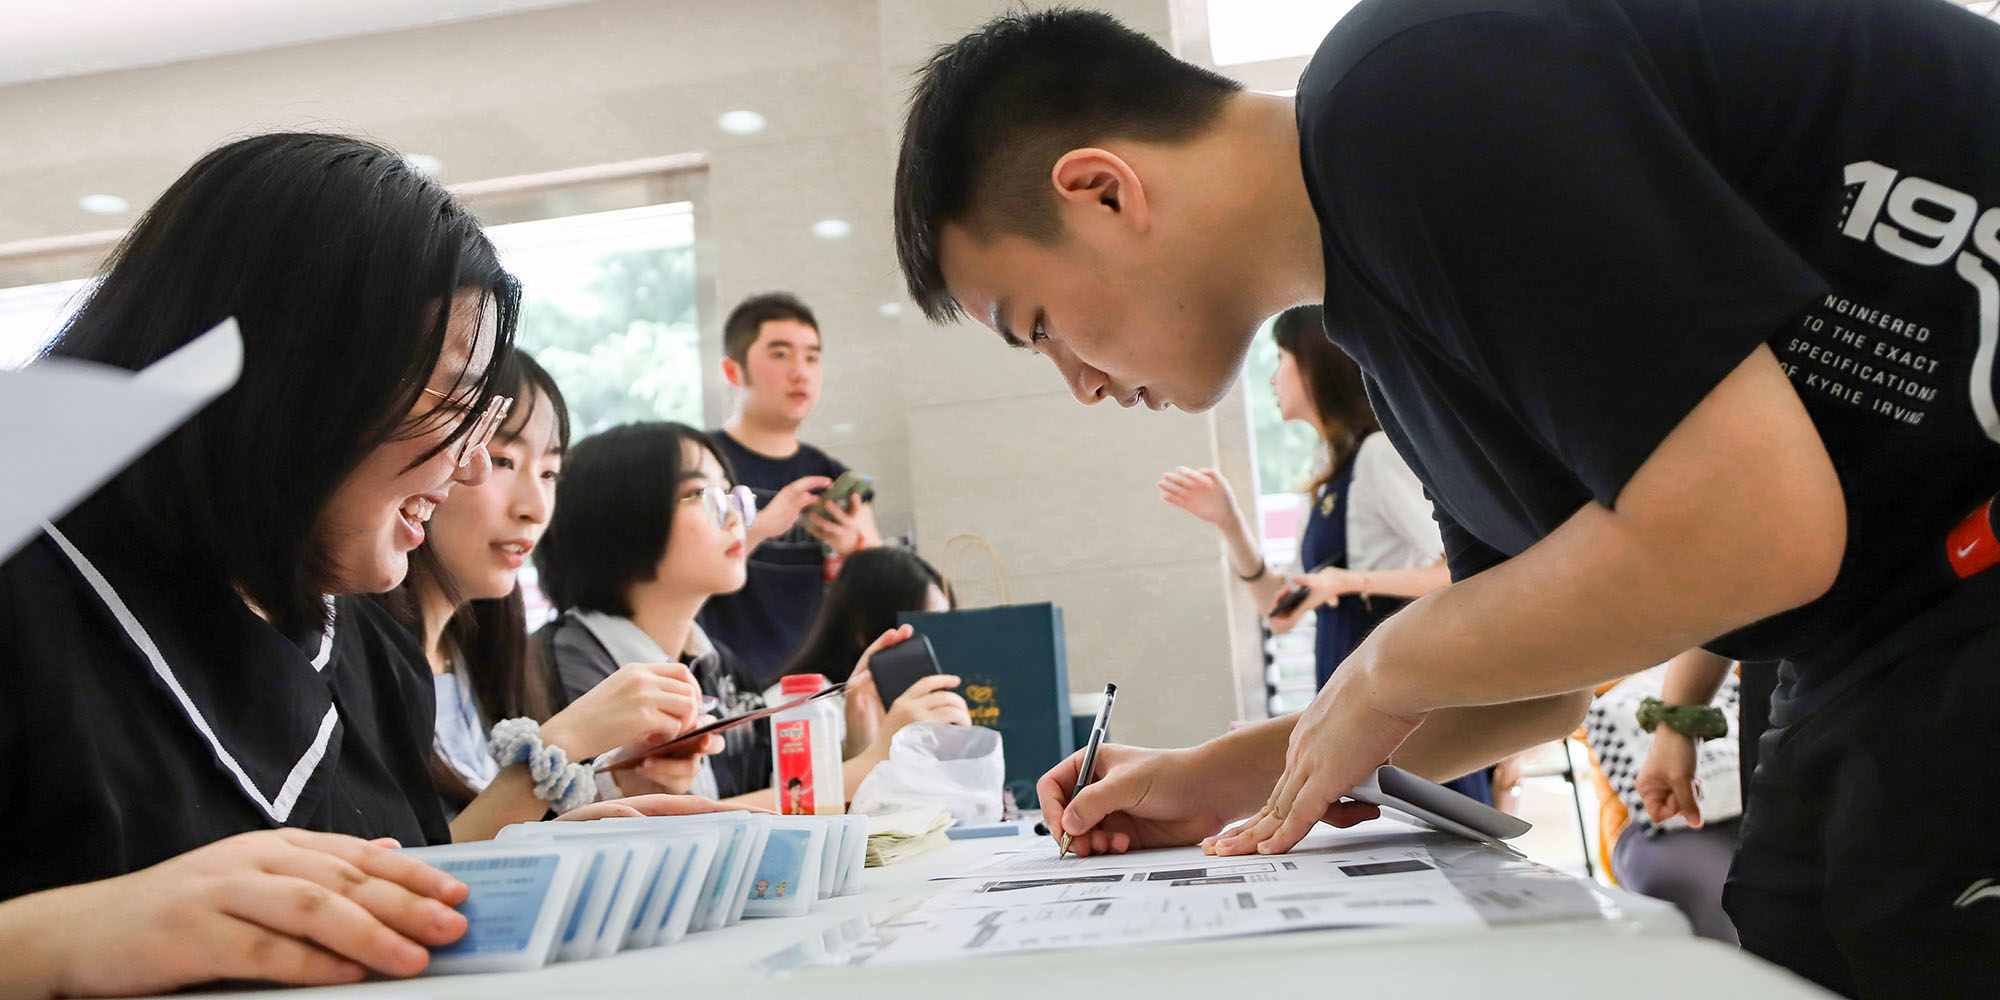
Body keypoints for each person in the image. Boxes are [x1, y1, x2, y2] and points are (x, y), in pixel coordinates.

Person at [892, 5, 2000, 994]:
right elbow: (1538, 683)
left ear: (1101, 190)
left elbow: (1755, 532)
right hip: (1881, 626)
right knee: (1806, 929)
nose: (1080, 385)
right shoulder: (1392, 338)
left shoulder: (1411, 89)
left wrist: (1389, 659)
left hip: (1961, 569)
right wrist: (1223, 777)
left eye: (1039, 325)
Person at [0, 132, 510, 988]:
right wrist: (58, 938)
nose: (471, 466)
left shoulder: (373, 650)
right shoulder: (28, 597)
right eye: (452, 399)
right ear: (300, 374)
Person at [382, 353, 728, 840]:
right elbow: (408, 870)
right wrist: (559, 744)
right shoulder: (355, 665)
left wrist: (618, 785)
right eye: (503, 460)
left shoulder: (487, 663)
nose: (534, 508)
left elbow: (500, 846)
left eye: (549, 473)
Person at [533, 422, 969, 804]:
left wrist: (858, 739)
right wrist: (866, 766)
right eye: (700, 494)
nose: (734, 517)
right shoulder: (562, 664)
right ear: (616, 520)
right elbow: (618, 830)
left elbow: (777, 811)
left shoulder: (721, 667)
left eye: (730, 494)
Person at [1161, 305, 1478, 801]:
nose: (1273, 378)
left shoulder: (1378, 455)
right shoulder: (1327, 469)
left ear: (1315, 365)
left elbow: (1458, 572)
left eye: (1282, 358)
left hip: (1399, 693)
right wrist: (1229, 523)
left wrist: (1350, 582)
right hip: (1352, 687)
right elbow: (1280, 612)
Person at [698, 293, 884, 685]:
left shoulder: (831, 476)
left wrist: (855, 548)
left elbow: (888, 581)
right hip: (722, 687)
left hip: (815, 690)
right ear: (733, 371)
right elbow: (681, 572)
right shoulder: (701, 464)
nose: (801, 372)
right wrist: (763, 526)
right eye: (780, 355)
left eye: (812, 357)